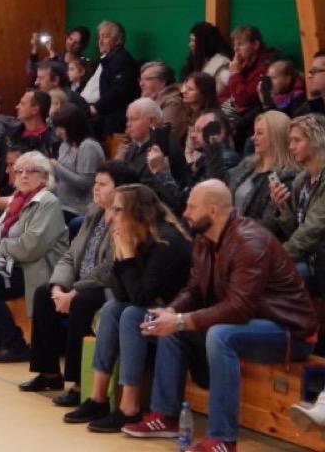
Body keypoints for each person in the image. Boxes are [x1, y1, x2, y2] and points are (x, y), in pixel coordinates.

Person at [123, 180, 317, 452]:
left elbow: (239, 307)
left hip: (289, 330)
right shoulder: (205, 240)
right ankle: (165, 416)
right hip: (250, 322)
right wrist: (171, 311)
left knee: (219, 335)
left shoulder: (249, 241)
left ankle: (222, 439)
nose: (185, 212)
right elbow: (193, 289)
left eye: (192, 207)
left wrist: (181, 320)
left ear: (212, 211)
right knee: (172, 327)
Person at [62, 185, 192, 432]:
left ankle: (129, 408)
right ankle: (98, 398)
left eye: (117, 210)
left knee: (131, 314)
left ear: (138, 212)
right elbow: (122, 294)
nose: (110, 217)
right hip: (154, 309)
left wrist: (128, 256)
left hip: (176, 315)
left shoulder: (167, 241)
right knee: (113, 307)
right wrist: (121, 254)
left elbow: (140, 298)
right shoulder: (138, 234)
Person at [20, 161, 139, 402]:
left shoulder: (128, 220)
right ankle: (49, 372)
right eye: (95, 182)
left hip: (108, 288)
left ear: (121, 189)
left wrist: (73, 292)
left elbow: (111, 268)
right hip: (79, 282)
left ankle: (78, 383)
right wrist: (58, 286)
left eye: (102, 184)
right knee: (43, 293)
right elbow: (70, 254)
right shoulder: (94, 213)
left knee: (83, 302)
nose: (95, 188)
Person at [0, 151, 69, 363]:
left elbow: (32, 247)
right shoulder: (17, 199)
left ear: (44, 177)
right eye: (19, 171)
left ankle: (16, 346)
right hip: (12, 262)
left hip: (37, 267)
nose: (23, 175)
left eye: (31, 171)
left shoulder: (48, 202)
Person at [146, 109, 241, 214]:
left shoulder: (225, 160)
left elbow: (183, 204)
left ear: (219, 133)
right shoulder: (202, 160)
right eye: (194, 130)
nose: (192, 135)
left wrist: (160, 171)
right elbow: (182, 184)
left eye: (199, 130)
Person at [270, 113, 325, 287]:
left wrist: (275, 258)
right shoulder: (301, 180)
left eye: (297, 140)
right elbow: (294, 230)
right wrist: (283, 208)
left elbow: (312, 230)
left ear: (316, 141)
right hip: (306, 257)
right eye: (290, 141)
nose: (291, 147)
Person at [227, 110, 297, 232]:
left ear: (276, 136)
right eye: (254, 133)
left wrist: (235, 232)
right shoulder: (247, 164)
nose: (253, 138)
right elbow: (222, 183)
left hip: (251, 238)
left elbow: (270, 224)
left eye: (259, 133)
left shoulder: (286, 176)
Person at [219, 26, 275, 152]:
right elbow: (222, 96)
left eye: (241, 44)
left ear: (255, 45)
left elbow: (243, 100)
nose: (236, 49)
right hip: (233, 120)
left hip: (250, 129)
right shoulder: (244, 65)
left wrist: (235, 74)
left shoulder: (265, 68)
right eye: (234, 45)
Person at [81, 21, 140, 139]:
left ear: (118, 40)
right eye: (99, 37)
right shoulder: (107, 59)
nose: (100, 41)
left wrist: (96, 107)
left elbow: (118, 92)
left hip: (114, 118)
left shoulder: (122, 60)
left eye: (105, 37)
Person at [51, 103, 104, 223]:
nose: (57, 133)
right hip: (61, 204)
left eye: (60, 128)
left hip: (79, 209)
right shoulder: (64, 146)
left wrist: (57, 167)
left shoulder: (88, 147)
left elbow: (85, 183)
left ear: (72, 126)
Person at [118, 98, 189, 186]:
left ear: (151, 121)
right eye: (128, 120)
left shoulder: (163, 147)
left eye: (133, 119)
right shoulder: (136, 144)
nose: (128, 124)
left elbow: (151, 185)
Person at [139, 61, 186, 144]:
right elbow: (129, 137)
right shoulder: (144, 101)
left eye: (147, 79)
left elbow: (165, 137)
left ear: (162, 82)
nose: (141, 83)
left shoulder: (173, 103)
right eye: (141, 79)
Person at [182, 22, 232, 94]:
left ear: (204, 42)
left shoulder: (222, 66)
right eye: (190, 41)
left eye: (193, 40)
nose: (190, 44)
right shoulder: (194, 63)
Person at [12, 90, 58, 155]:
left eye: (22, 104)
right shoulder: (12, 134)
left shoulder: (53, 140)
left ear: (35, 110)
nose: (17, 107)